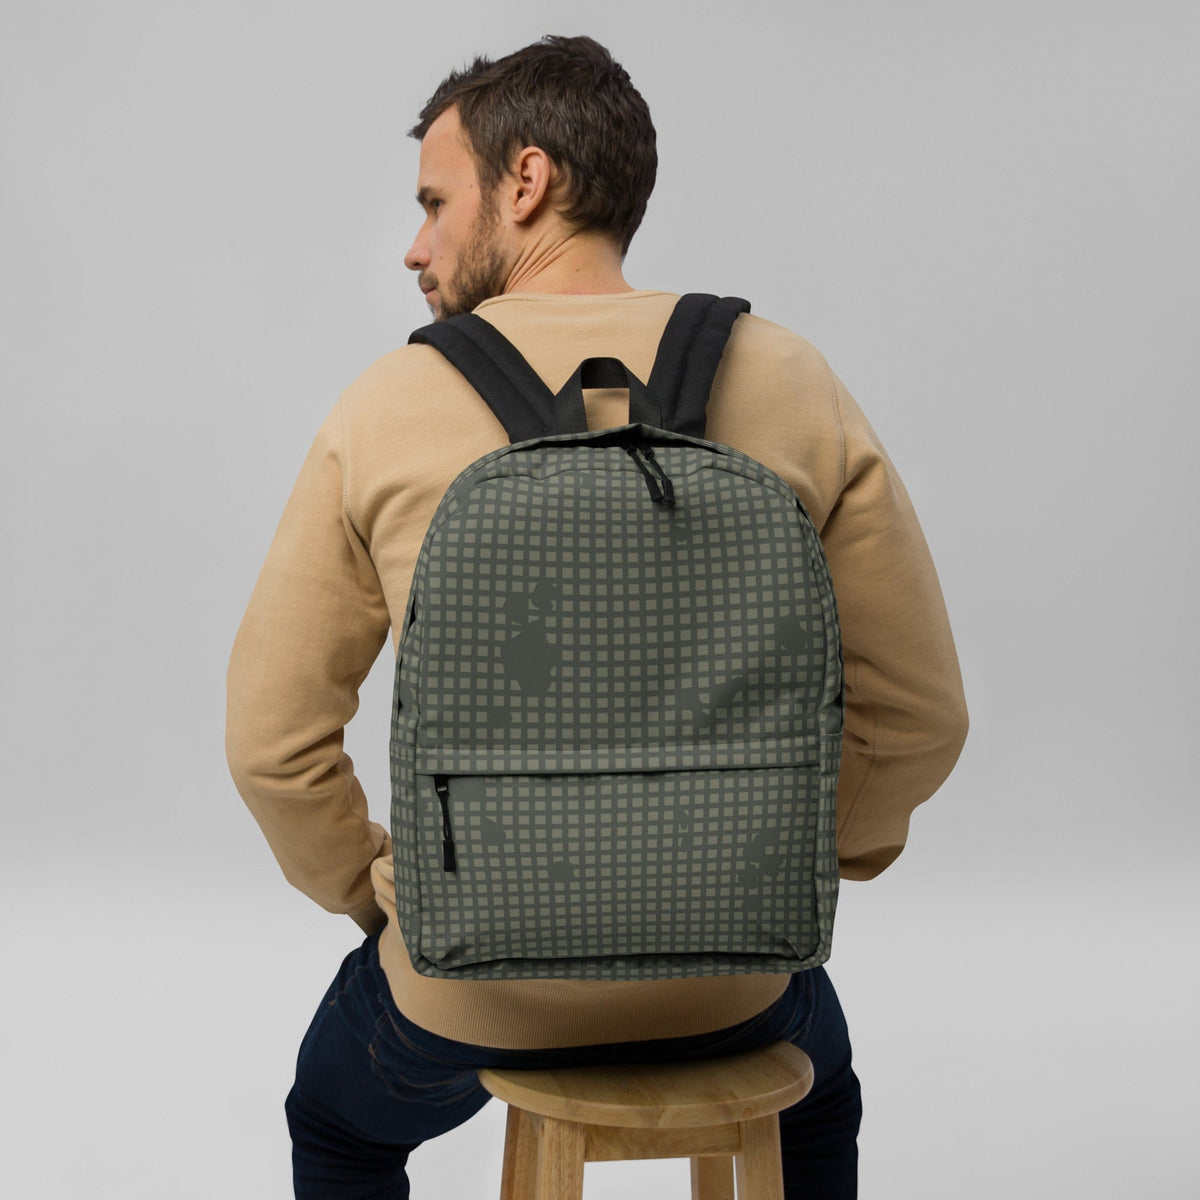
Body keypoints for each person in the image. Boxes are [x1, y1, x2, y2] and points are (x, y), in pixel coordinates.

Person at [225, 34, 968, 1199]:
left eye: (434, 203)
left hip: (468, 986)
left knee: (339, 1126)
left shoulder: (386, 406)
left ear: (526, 181)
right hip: (733, 981)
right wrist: (793, 863)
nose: (416, 247)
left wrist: (387, 899)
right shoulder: (791, 378)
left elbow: (272, 746)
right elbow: (921, 716)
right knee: (819, 1097)